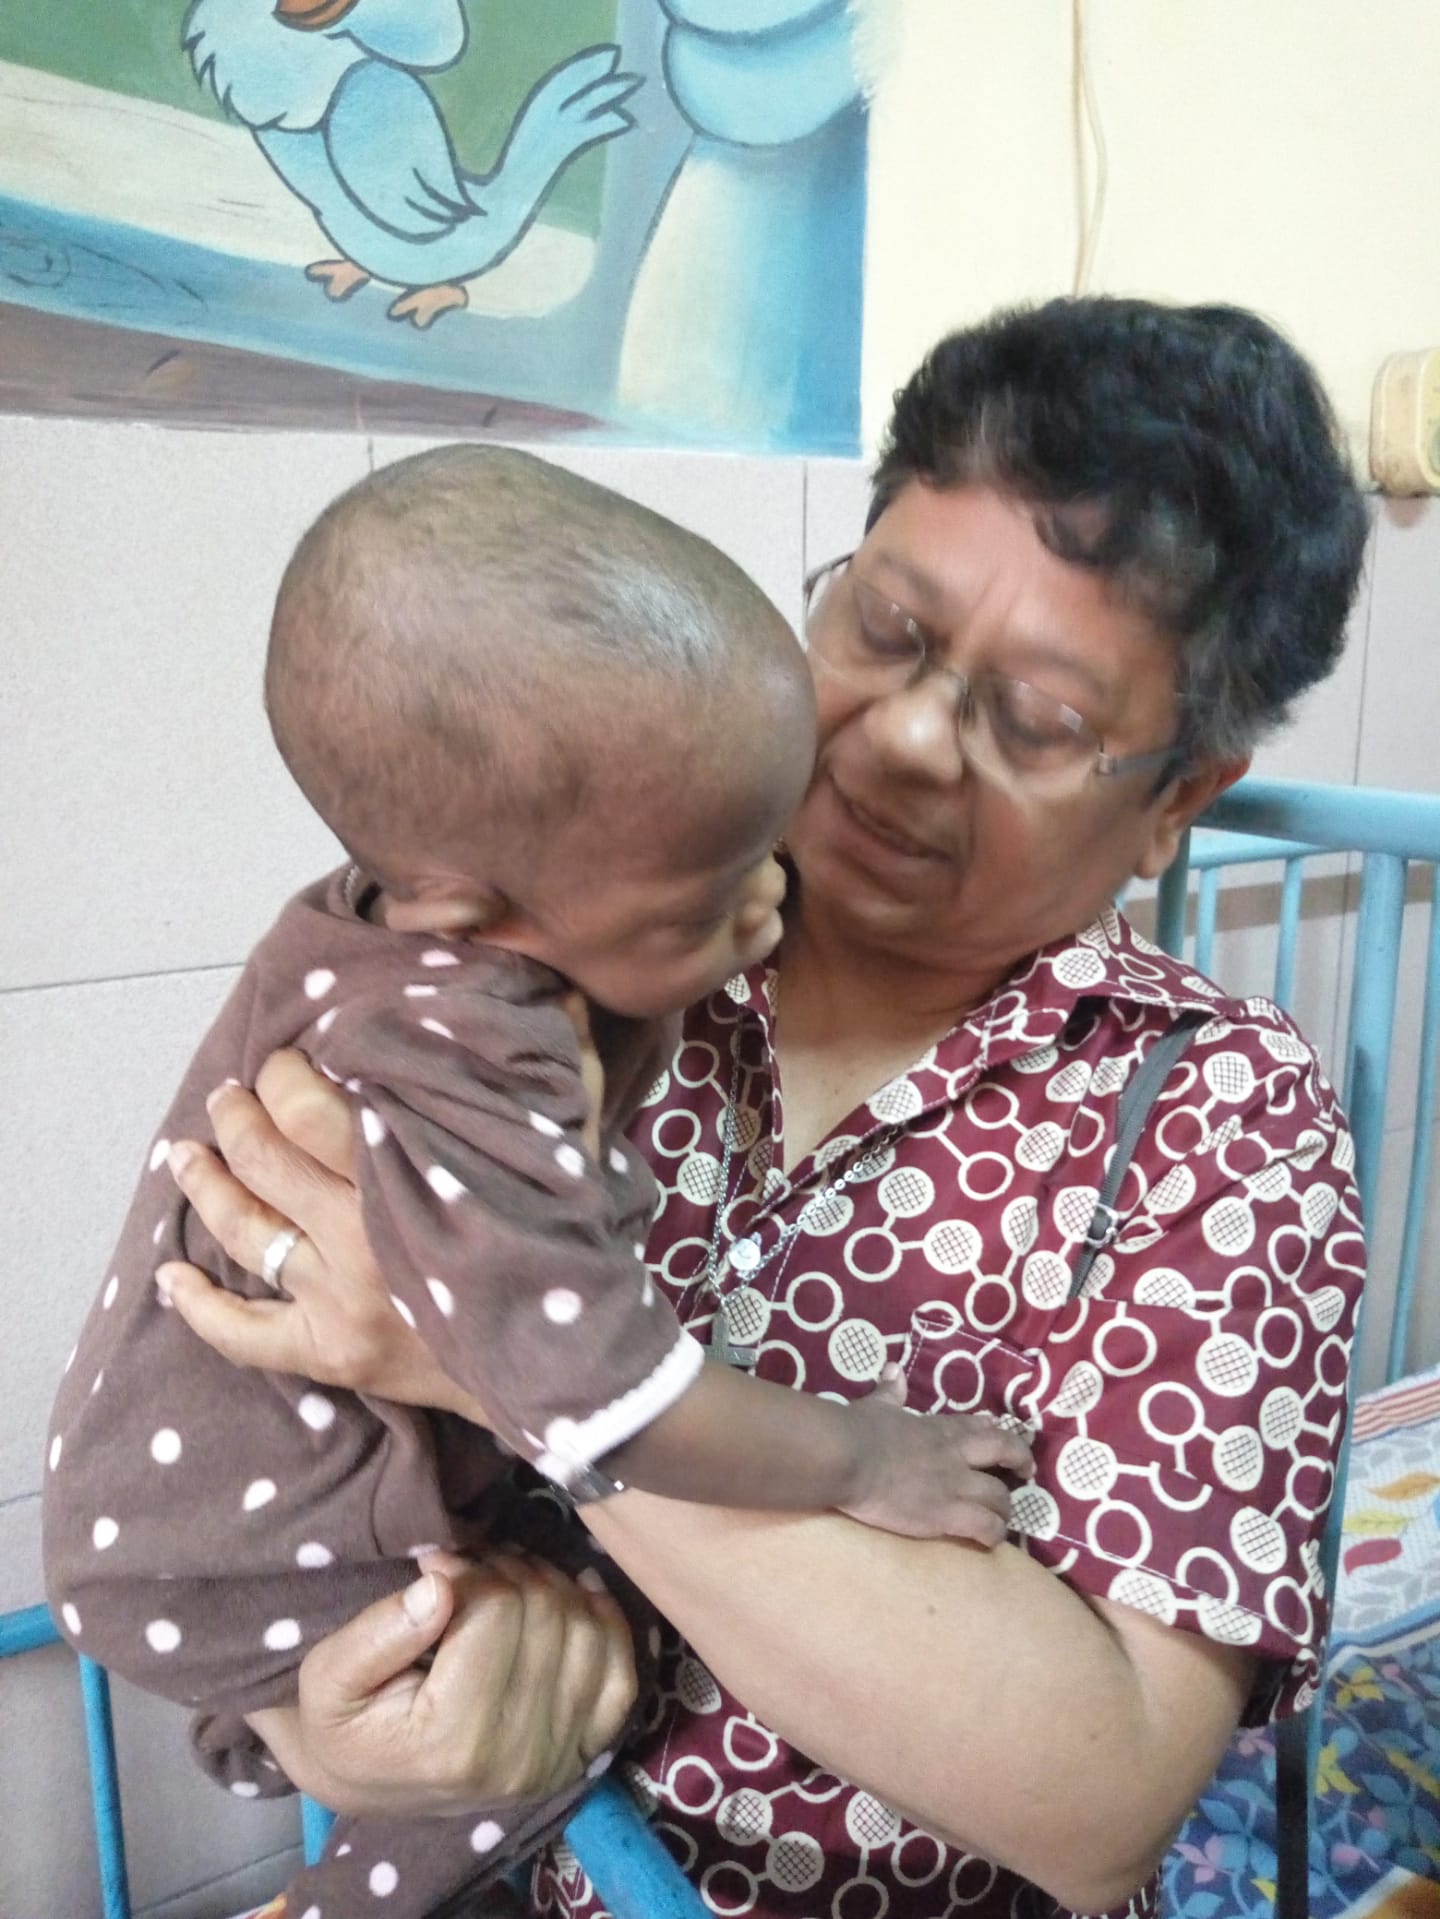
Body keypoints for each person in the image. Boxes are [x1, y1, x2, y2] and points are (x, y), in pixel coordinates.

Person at [155, 297, 1370, 1919]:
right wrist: (343, 1731)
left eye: (1039, 721)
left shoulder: (1214, 1117)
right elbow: (251, 1433)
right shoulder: (553, 938)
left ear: (1176, 804)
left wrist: (494, 1359)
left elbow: (1100, 1799)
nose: (911, 740)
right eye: (888, 627)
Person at [43, 446, 1037, 1919]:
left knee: (555, 1654)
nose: (769, 902)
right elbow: (609, 1403)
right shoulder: (447, 1049)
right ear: (475, 905)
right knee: (559, 1710)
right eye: (707, 898)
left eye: (767, 847)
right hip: (225, 1552)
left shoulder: (392, 922)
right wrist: (863, 1460)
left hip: (208, 1511)